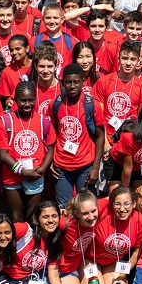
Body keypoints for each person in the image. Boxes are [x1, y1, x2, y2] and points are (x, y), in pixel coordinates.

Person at [0, 81, 56, 222]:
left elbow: (51, 148)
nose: (27, 104)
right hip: (12, 175)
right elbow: (3, 154)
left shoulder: (43, 121)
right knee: (16, 216)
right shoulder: (6, 121)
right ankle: (19, 243)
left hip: (36, 173)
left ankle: (32, 243)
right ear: (15, 100)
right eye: (23, 100)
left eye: (30, 100)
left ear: (35, 99)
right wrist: (22, 171)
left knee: (32, 214)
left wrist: (42, 169)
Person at [50, 64, 105, 205]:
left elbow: (100, 136)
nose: (72, 86)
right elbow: (53, 134)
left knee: (86, 205)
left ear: (83, 82)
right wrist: (50, 160)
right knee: (64, 207)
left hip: (85, 164)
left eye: (76, 82)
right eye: (68, 82)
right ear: (62, 83)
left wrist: (96, 167)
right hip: (61, 165)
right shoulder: (56, 104)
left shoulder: (91, 104)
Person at [94, 184, 142, 284]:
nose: (122, 209)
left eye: (127, 203)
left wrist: (122, 275)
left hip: (113, 261)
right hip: (91, 259)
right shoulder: (104, 212)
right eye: (117, 204)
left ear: (134, 204)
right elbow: (87, 204)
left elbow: (136, 253)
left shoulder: (140, 220)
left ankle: (124, 282)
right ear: (112, 205)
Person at [56, 191, 100, 284]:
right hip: (57, 269)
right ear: (76, 213)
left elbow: (113, 198)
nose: (91, 217)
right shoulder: (64, 223)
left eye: (93, 211)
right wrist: (55, 211)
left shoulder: (98, 217)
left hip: (71, 269)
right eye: (85, 213)